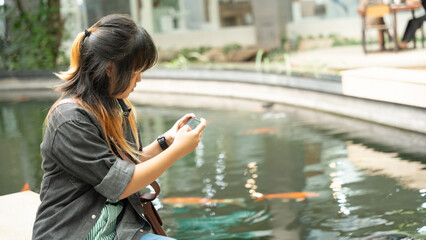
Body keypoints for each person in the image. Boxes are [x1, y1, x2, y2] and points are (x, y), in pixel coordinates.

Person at [32, 14, 206, 240]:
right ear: (110, 68)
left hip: (119, 232)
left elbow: (125, 166)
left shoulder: (116, 106)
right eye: (135, 71)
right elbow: (121, 184)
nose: (139, 80)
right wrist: (177, 151)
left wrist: (166, 142)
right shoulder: (69, 120)